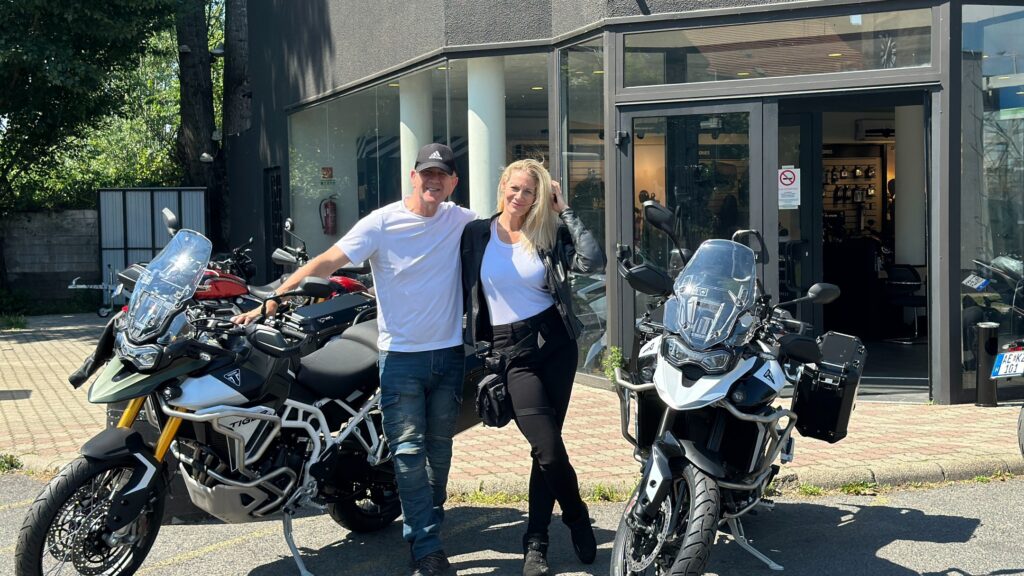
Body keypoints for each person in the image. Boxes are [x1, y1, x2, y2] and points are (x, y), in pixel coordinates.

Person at [233, 143, 474, 576]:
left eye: (443, 175)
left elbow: (513, 226)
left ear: (453, 182)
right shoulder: (382, 222)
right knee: (408, 451)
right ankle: (427, 547)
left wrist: (552, 201)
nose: (434, 181)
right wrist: (273, 300)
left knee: (439, 453)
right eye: (427, 174)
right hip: (400, 359)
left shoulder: (462, 220)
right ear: (414, 178)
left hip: (448, 355)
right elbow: (327, 261)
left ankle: (428, 526)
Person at [460, 159, 605, 576]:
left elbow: (592, 261)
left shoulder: (547, 231)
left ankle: (536, 543)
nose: (520, 197)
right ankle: (576, 516)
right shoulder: (476, 235)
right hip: (511, 352)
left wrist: (565, 211)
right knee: (547, 447)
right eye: (515, 187)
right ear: (502, 185)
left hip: (555, 344)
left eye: (530, 191)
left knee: (546, 447)